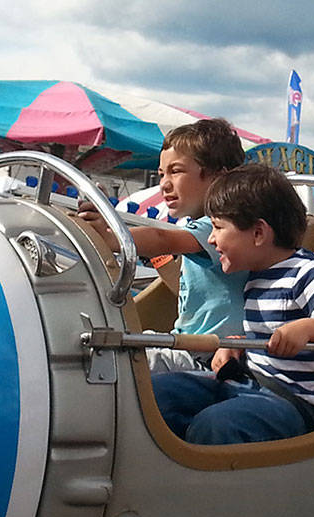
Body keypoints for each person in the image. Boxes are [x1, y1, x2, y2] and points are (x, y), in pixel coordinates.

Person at [151, 164, 314, 445]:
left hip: (301, 404)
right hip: (253, 384)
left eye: (217, 227)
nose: (211, 238)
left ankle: (211, 485)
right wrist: (236, 346)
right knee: (154, 394)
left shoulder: (306, 271)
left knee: (216, 425)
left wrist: (305, 329)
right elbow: (263, 337)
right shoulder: (257, 276)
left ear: (258, 234)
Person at [78, 118, 247, 371]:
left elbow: (161, 240)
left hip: (206, 356)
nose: (164, 184)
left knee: (112, 360)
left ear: (218, 177)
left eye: (176, 171)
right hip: (188, 344)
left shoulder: (223, 228)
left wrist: (112, 237)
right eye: (161, 174)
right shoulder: (199, 228)